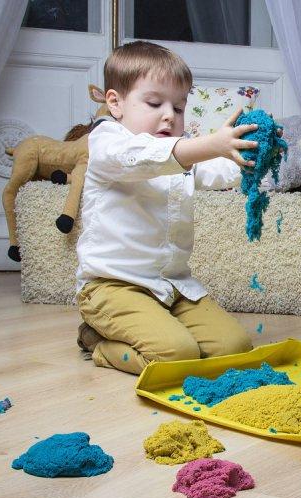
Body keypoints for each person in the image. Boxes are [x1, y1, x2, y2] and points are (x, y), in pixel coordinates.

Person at [75, 40, 258, 374]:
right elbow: (147, 158)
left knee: (234, 348)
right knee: (176, 355)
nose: (169, 115)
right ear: (115, 103)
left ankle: (158, 324)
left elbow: (216, 170)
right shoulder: (107, 142)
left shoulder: (179, 151)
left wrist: (251, 158)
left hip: (171, 285)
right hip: (113, 286)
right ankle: (96, 342)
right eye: (154, 103)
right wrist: (210, 143)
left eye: (178, 107)